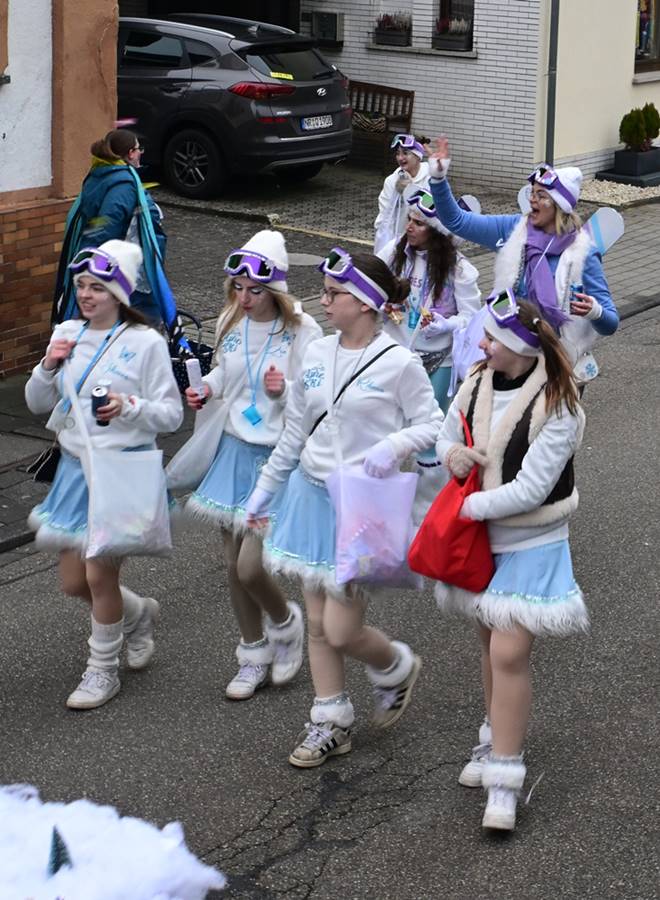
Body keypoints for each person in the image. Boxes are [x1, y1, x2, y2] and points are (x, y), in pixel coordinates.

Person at [245, 249, 444, 768]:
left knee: (340, 628)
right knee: (317, 621)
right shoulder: (316, 353)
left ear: (365, 303)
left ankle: (395, 666)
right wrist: (264, 492)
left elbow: (432, 423)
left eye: (334, 294)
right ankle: (331, 718)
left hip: (361, 506)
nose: (324, 301)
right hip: (310, 498)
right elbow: (295, 431)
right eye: (326, 293)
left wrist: (392, 446)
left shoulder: (398, 362)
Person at [435, 290, 588, 832]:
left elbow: (531, 489)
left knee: (508, 651)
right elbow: (445, 436)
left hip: (532, 540)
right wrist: (453, 455)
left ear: (520, 347)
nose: (480, 346)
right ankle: (492, 735)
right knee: (489, 645)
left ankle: (505, 776)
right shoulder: (476, 381)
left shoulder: (560, 404)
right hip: (483, 542)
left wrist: (466, 507)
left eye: (491, 339)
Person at [25, 240, 183, 710]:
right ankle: (138, 614)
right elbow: (36, 403)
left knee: (98, 577)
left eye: (97, 287)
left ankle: (102, 671)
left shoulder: (145, 342)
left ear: (119, 293)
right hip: (76, 472)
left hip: (121, 471)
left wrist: (128, 406)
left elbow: (172, 415)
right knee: (74, 583)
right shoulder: (68, 332)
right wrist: (48, 365)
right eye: (81, 285)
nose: (85, 295)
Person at [171, 231, 323, 701]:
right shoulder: (230, 321)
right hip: (234, 449)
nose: (244, 297)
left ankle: (285, 623)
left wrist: (285, 390)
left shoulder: (303, 330)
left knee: (251, 567)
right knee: (231, 565)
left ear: (275, 288)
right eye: (237, 287)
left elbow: (316, 394)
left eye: (254, 290)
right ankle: (252, 653)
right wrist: (207, 388)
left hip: (276, 456)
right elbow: (226, 371)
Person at [427, 137, 619, 383]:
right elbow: (457, 221)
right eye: (532, 193)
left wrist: (595, 311)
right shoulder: (513, 229)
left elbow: (610, 323)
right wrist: (438, 178)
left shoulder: (583, 253)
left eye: (541, 195)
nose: (532, 200)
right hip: (506, 356)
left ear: (559, 205)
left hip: (554, 365)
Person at [377, 188, 481, 413]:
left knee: (431, 423)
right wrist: (381, 303)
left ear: (437, 231)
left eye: (419, 223)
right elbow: (369, 284)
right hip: (394, 351)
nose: (409, 227)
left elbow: (472, 317)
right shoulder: (394, 251)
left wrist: (447, 325)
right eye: (409, 219)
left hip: (439, 359)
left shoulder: (459, 268)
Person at [54, 129, 167, 326]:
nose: (141, 153)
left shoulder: (99, 174)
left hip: (99, 259)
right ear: (130, 153)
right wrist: (98, 265)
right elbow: (107, 227)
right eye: (138, 149)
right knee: (136, 324)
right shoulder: (123, 184)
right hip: (120, 268)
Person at [374, 134, 430, 254]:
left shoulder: (431, 178)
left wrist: (411, 191)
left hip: (426, 243)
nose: (400, 158)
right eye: (398, 153)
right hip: (398, 242)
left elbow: (434, 209)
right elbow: (385, 216)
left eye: (405, 153)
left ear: (418, 155)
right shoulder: (392, 181)